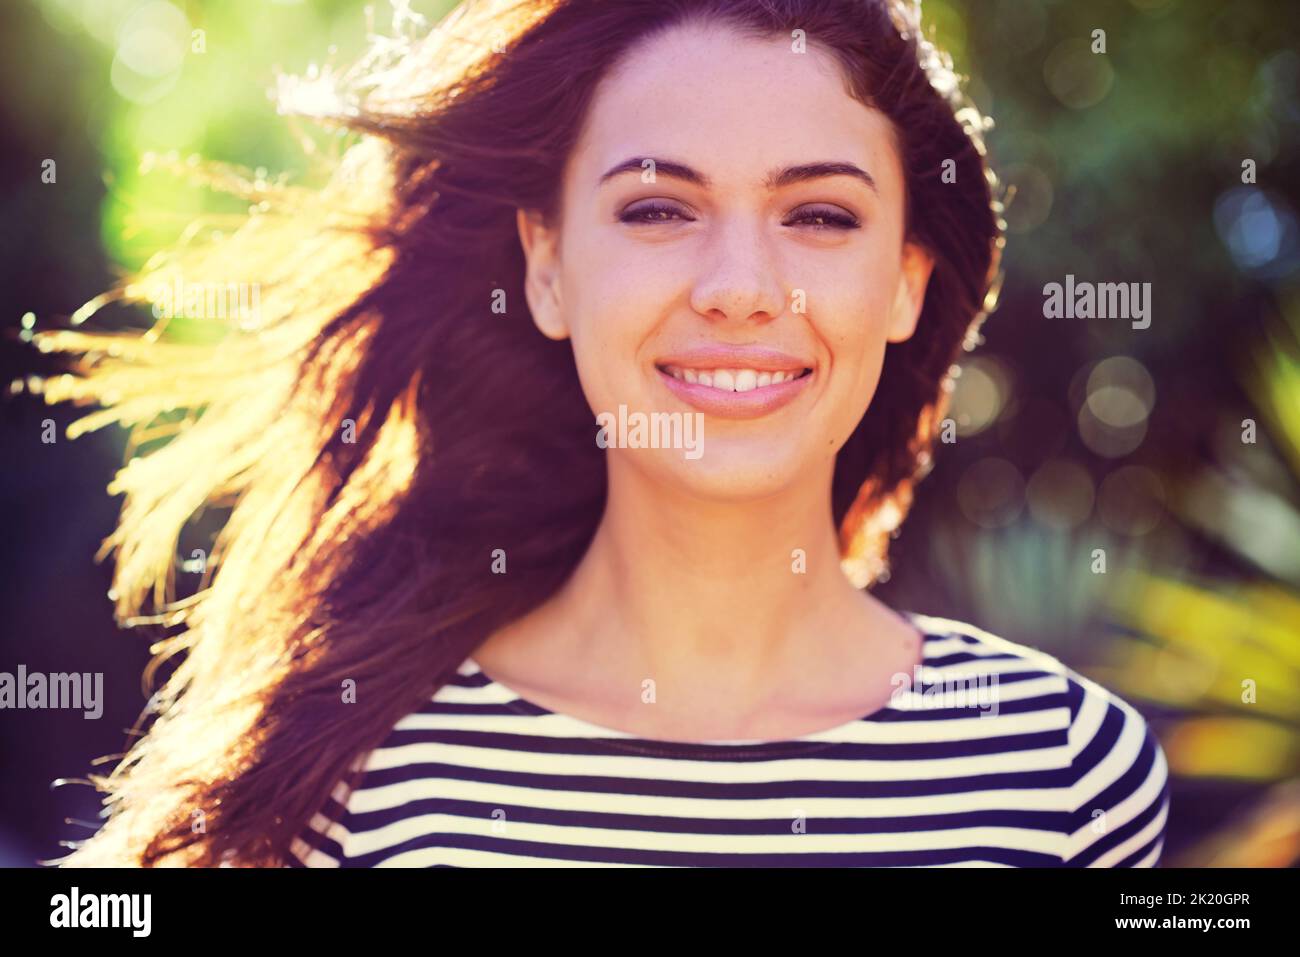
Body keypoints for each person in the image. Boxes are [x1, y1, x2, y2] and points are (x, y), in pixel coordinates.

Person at [41, 0, 1169, 867]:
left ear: (905, 284)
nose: (739, 288)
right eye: (657, 209)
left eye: (819, 215)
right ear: (546, 269)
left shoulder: (1068, 774)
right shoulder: (358, 790)